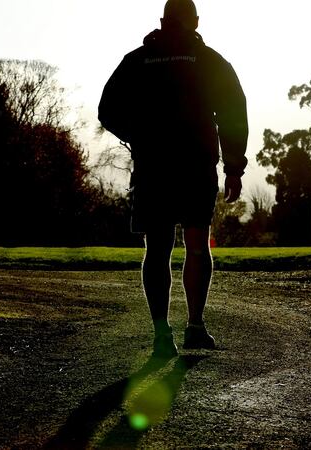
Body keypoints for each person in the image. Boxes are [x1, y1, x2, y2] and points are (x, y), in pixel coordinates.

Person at [98, 0, 248, 358]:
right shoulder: (211, 61)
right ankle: (195, 325)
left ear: (163, 21)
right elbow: (233, 112)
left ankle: (162, 333)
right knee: (197, 245)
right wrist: (233, 167)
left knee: (158, 249)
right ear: (195, 21)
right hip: (196, 165)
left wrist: (137, 135)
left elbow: (107, 110)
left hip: (154, 166)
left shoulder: (136, 60)